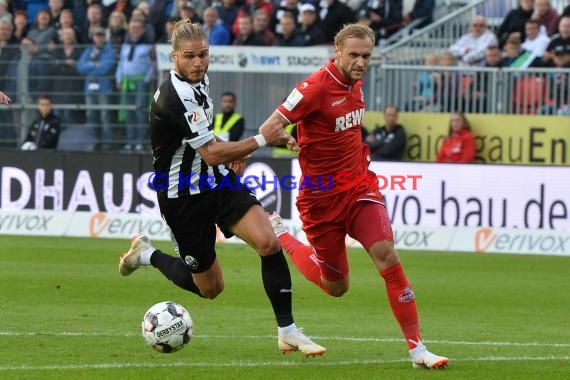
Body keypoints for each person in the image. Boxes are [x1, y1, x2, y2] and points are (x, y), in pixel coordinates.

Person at [118, 19, 326, 357]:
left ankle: (287, 331)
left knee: (268, 242)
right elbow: (210, 152)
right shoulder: (175, 96)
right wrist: (259, 140)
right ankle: (146, 254)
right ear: (174, 58)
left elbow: (207, 143)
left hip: (216, 182)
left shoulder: (199, 81)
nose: (198, 62)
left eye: (203, 55)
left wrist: (233, 149)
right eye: (190, 56)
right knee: (211, 288)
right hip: (182, 195)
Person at [261, 23, 448, 369]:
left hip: (360, 187)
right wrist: (286, 138)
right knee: (337, 286)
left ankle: (418, 350)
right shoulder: (313, 88)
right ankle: (283, 235)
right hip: (320, 200)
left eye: (366, 56)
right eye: (354, 55)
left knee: (386, 254)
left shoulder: (356, 84)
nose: (361, 62)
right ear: (337, 50)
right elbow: (269, 126)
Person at [76, 26, 117, 150]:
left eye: (101, 35)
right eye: (96, 35)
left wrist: (89, 66)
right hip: (89, 89)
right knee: (91, 116)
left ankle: (107, 144)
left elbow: (105, 69)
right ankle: (92, 142)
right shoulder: (89, 50)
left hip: (104, 88)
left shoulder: (110, 51)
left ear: (104, 37)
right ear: (93, 37)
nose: (99, 38)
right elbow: (79, 67)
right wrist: (96, 66)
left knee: (105, 116)